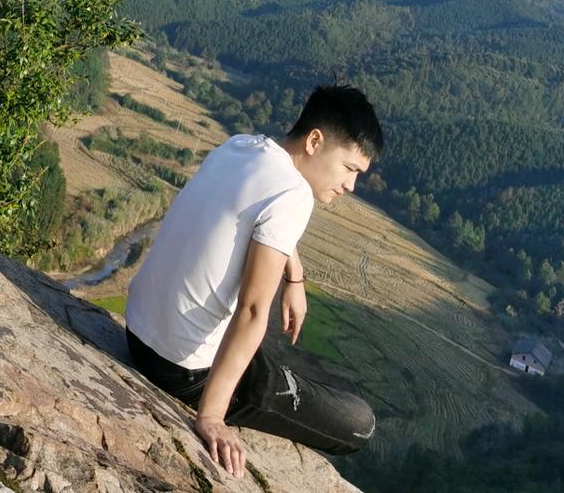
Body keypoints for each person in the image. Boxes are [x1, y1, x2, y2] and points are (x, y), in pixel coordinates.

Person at [125, 84, 383, 478]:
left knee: (267, 361)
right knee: (358, 422)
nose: (351, 186)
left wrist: (294, 276)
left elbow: (260, 221)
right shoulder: (295, 195)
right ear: (315, 141)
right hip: (181, 368)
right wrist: (211, 416)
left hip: (137, 331)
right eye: (349, 169)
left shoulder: (239, 146)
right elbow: (251, 310)